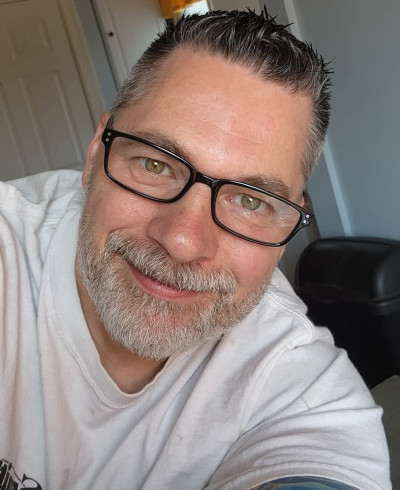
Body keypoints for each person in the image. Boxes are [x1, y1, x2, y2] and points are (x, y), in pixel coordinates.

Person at [0, 8, 390, 490]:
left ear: (289, 220)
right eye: (156, 164)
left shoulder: (302, 393)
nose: (183, 241)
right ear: (96, 152)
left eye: (250, 200)